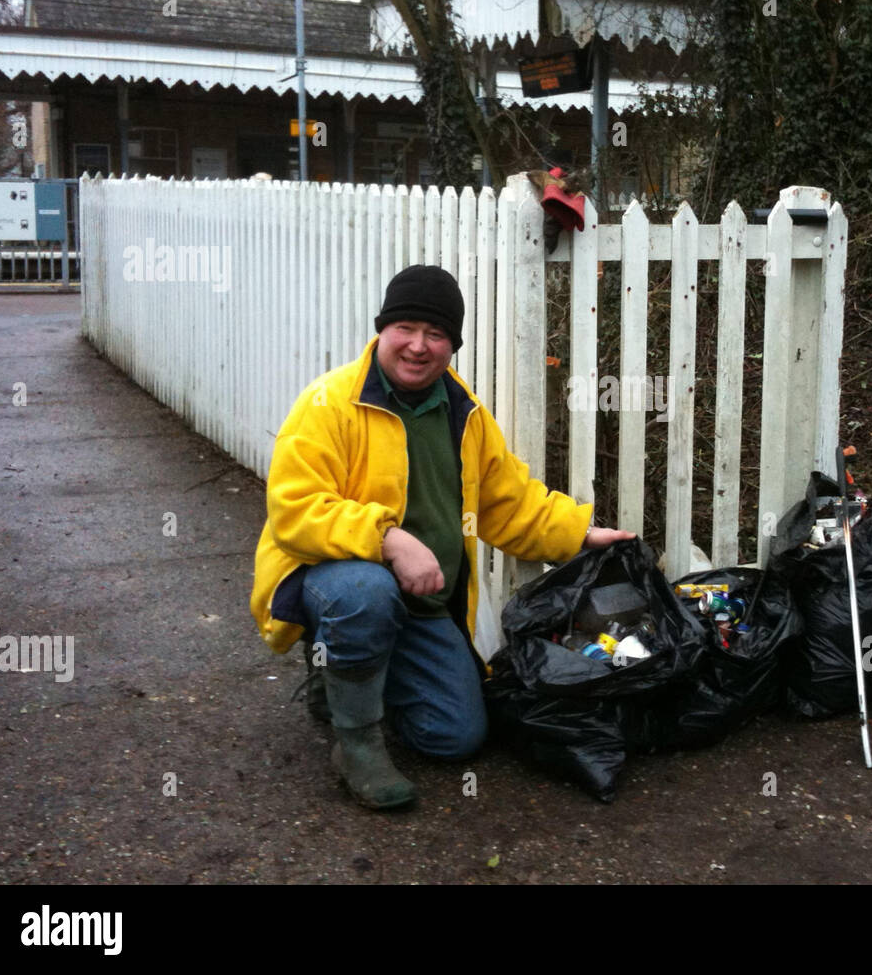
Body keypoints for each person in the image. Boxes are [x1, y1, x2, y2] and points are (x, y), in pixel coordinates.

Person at [249, 265, 632, 810]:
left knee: (455, 738)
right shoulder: (329, 403)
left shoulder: (463, 412)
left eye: (436, 335)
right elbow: (294, 511)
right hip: (340, 582)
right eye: (405, 328)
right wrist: (388, 540)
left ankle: (347, 674)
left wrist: (580, 532)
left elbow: (508, 502)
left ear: (452, 343)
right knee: (363, 594)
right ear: (382, 329)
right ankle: (355, 743)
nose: (418, 347)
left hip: (425, 605)